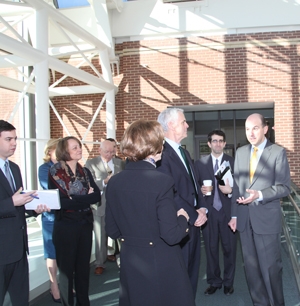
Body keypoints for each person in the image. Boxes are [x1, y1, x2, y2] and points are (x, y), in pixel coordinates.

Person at [105, 120, 195, 306]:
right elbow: (171, 235)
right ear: (155, 147)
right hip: (162, 261)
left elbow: (112, 230)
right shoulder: (162, 181)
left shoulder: (114, 182)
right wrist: (183, 218)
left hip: (131, 261)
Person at [229, 113, 290, 306]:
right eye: (247, 129)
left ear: (265, 129)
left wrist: (260, 194)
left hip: (266, 221)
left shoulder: (277, 152)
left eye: (255, 128)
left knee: (271, 270)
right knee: (252, 271)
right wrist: (233, 215)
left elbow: (284, 187)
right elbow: (237, 188)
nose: (251, 133)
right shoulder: (240, 153)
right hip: (245, 221)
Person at [156, 107, 208, 296]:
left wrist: (202, 208)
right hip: (180, 221)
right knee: (179, 273)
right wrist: (195, 214)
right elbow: (170, 192)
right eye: (183, 122)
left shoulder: (184, 153)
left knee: (193, 270)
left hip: (195, 219)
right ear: (170, 125)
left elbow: (195, 185)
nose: (187, 125)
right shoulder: (160, 153)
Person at [0, 120, 49, 305]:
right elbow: (11, 202)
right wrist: (12, 202)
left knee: (21, 300)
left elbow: (17, 206)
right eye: (8, 139)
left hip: (19, 250)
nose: (14, 143)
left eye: (15, 139)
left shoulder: (14, 168)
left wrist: (33, 209)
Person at [48, 136, 100, 306]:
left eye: (79, 146)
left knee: (83, 270)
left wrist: (76, 197)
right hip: (66, 227)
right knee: (66, 273)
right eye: (75, 147)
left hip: (85, 224)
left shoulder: (84, 171)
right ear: (65, 151)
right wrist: (85, 196)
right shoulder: (55, 172)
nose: (79, 149)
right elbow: (60, 203)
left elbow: (96, 196)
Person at [194, 130, 237, 296]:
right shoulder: (200, 164)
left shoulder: (232, 162)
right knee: (211, 249)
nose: (218, 144)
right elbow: (194, 188)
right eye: (214, 141)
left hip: (228, 213)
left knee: (230, 249)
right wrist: (202, 190)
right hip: (209, 212)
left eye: (221, 141)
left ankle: (228, 282)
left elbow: (240, 187)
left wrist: (231, 190)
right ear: (209, 144)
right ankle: (214, 281)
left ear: (225, 144)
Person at [85, 140, 125, 275]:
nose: (109, 154)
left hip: (118, 205)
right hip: (100, 205)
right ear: (100, 151)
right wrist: (104, 182)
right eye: (106, 152)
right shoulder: (91, 164)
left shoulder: (120, 163)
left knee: (121, 235)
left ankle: (122, 260)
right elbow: (87, 185)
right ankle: (99, 263)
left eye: (112, 151)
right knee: (100, 236)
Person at [38, 138, 61, 303]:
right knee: (52, 252)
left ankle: (65, 283)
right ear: (49, 152)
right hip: (51, 217)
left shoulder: (65, 168)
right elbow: (51, 187)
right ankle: (54, 286)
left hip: (65, 216)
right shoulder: (44, 168)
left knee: (65, 252)